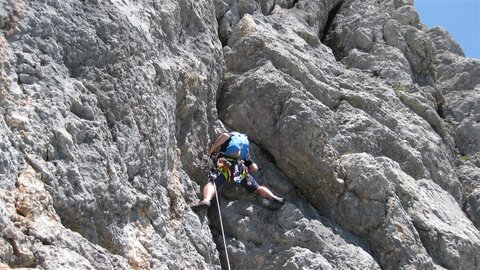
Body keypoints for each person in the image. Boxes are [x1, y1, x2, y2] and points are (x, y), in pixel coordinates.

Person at [191, 132, 285, 211]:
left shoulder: (229, 137)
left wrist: (212, 150)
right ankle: (273, 197)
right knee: (256, 188)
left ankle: (206, 200)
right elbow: (254, 168)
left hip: (224, 164)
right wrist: (243, 174)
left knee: (212, 182)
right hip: (240, 169)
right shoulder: (244, 150)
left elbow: (224, 135)